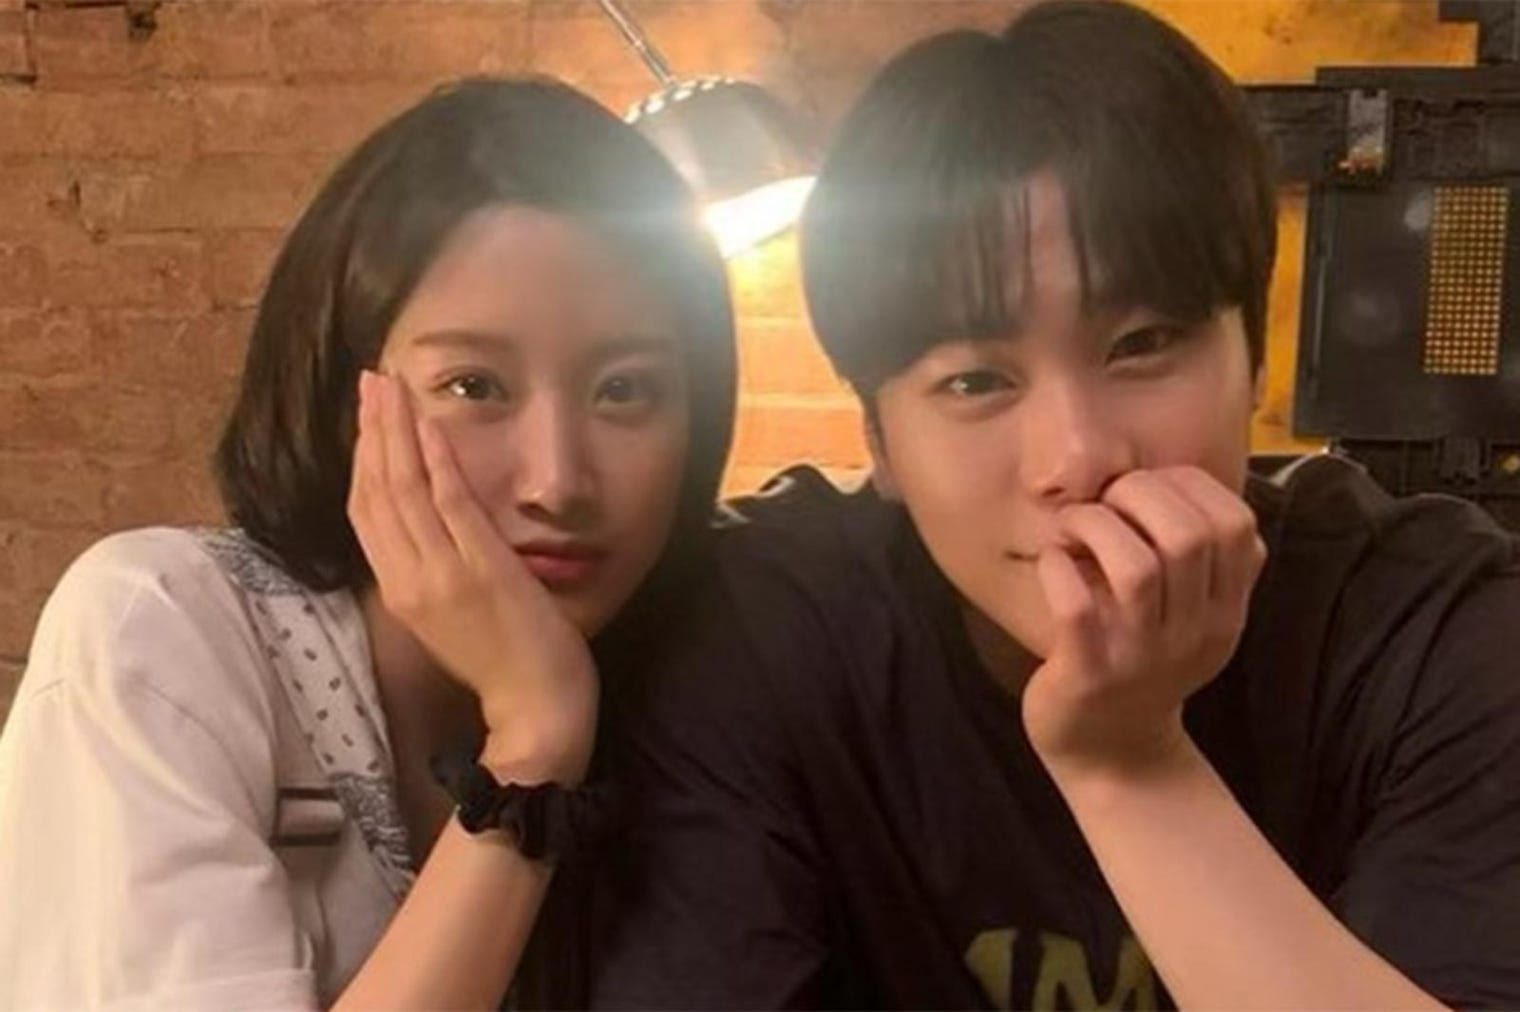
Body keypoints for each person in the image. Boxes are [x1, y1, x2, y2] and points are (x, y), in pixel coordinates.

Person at [590, 3, 1520, 1008]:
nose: (1078, 458)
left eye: (1141, 344)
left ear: (1254, 363)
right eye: (975, 381)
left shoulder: (1427, 624)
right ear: (879, 441)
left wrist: (1128, 761)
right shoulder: (757, 633)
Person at [0, 77, 734, 1009]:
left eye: (625, 391)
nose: (557, 482)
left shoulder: (714, 683)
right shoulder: (160, 627)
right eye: (473, 386)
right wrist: (534, 743)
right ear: (344, 403)